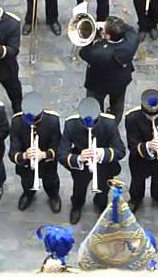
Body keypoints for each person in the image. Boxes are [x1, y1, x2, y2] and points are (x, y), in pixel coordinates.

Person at [58, 95, 124, 224]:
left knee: (104, 189)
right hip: (81, 166)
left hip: (104, 166)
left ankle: (100, 204)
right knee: (79, 189)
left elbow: (120, 150)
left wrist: (101, 152)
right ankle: (77, 206)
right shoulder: (71, 125)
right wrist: (79, 158)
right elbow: (61, 154)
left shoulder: (109, 123)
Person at [124, 88, 158, 214]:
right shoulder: (132, 118)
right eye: (149, 115)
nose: (152, 117)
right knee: (137, 181)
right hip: (140, 160)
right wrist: (148, 146)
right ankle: (135, 199)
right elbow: (132, 145)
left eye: (155, 115)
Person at [10, 92, 63, 213]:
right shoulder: (17, 121)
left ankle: (53, 196)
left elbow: (58, 146)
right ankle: (28, 194)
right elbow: (13, 151)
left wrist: (43, 154)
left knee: (51, 182)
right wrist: (24, 155)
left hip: (47, 163)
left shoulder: (52, 120)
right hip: (26, 164)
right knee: (27, 182)